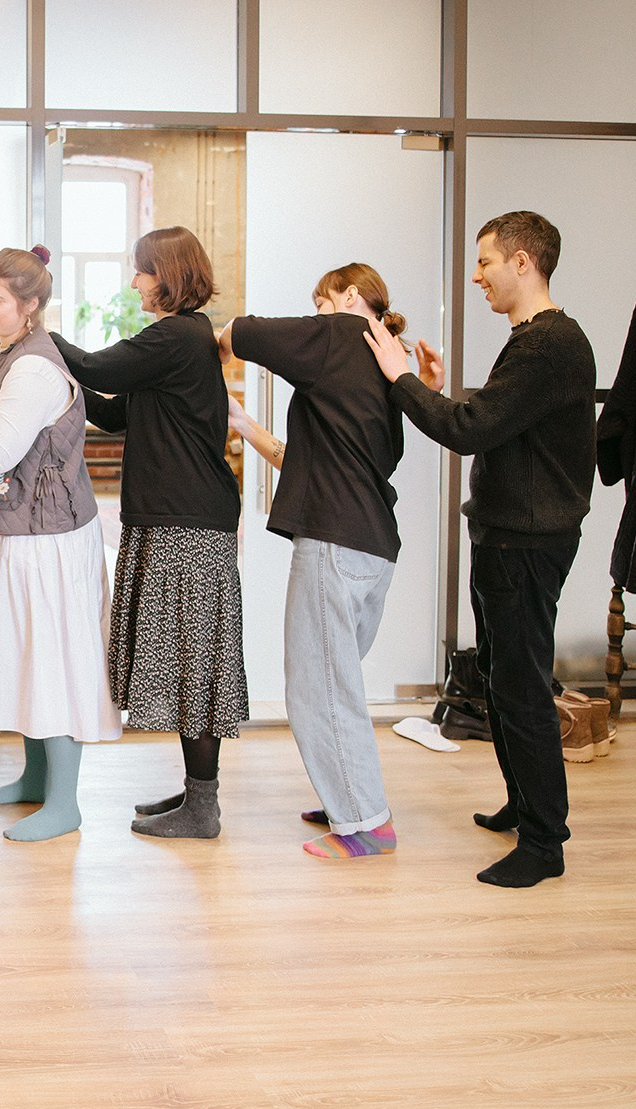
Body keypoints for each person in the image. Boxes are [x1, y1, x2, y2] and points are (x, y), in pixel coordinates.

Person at [362, 211, 595, 888]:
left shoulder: (547, 344)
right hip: (507, 535)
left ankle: (544, 843)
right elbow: (500, 424)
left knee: (520, 686)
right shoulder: (534, 341)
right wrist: (434, 390)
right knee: (499, 676)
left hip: (525, 542)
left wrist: (401, 378)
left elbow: (470, 430)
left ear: (524, 262)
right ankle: (526, 805)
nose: (477, 274)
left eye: (486, 260)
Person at [52, 227, 248, 840]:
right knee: (190, 662)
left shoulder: (177, 335)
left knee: (194, 664)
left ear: (165, 273)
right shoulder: (183, 344)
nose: (134, 283)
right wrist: (58, 386)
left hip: (186, 524)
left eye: (140, 272)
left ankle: (203, 808)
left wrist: (38, 337)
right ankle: (197, 795)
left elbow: (93, 365)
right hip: (173, 518)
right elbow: (114, 408)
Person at [0, 246, 121, 841]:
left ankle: (65, 802)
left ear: (31, 306)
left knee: (53, 660)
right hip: (13, 532)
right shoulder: (1, 351)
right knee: (25, 652)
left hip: (45, 543)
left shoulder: (35, 367)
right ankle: (36, 779)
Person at [220, 264, 407, 860]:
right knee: (334, 679)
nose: (316, 314)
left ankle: (365, 823)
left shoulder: (343, 335)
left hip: (333, 544)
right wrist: (246, 426)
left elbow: (246, 332)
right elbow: (315, 459)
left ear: (351, 298)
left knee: (319, 686)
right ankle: (346, 797)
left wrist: (207, 338)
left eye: (319, 301)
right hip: (371, 547)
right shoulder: (384, 367)